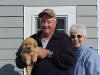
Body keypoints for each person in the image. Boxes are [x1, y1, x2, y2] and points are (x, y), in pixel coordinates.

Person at [16, 8, 75, 75]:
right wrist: (23, 58)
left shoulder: (63, 38)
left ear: (55, 23)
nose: (45, 25)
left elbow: (70, 61)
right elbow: (18, 63)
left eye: (48, 22)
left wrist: (48, 54)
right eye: (42, 21)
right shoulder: (32, 39)